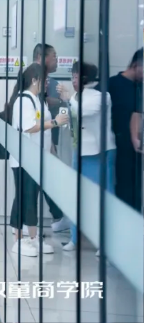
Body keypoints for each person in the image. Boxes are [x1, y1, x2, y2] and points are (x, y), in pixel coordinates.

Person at [4, 64, 68, 257]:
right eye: (45, 80)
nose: (47, 83)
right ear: (34, 80)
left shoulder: (37, 100)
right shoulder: (23, 100)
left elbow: (42, 128)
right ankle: (19, 240)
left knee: (30, 199)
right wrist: (55, 122)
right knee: (26, 199)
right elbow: (29, 126)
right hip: (25, 160)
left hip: (36, 158)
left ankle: (32, 238)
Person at [59, 61, 116, 252]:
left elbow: (82, 111)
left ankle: (104, 243)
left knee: (102, 200)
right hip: (80, 151)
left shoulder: (102, 97)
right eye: (72, 76)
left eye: (76, 77)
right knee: (77, 197)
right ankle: (74, 238)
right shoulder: (75, 97)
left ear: (85, 78)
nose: (73, 80)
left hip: (100, 153)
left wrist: (68, 99)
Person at [32, 43, 69, 232]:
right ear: (41, 57)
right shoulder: (31, 79)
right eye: (54, 56)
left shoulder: (52, 83)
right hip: (36, 140)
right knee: (36, 181)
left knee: (45, 179)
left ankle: (57, 216)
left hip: (47, 139)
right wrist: (61, 100)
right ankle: (27, 224)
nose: (57, 60)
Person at [107, 49, 143, 210]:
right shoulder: (112, 84)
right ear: (136, 65)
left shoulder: (139, 87)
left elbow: (137, 113)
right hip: (118, 146)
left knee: (136, 190)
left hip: (136, 148)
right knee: (122, 188)